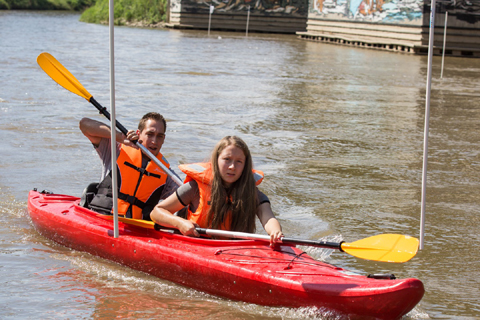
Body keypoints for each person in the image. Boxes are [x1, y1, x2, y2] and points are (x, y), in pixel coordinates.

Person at [150, 135, 283, 246]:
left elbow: (268, 218)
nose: (232, 166)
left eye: (239, 162)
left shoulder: (253, 193)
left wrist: (275, 232)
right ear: (216, 160)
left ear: (245, 165)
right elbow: (156, 212)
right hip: (197, 245)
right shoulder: (195, 187)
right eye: (227, 159)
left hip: (233, 249)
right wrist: (180, 223)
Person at [79, 112, 180, 221]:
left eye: (159, 136)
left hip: (138, 228)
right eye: (149, 134)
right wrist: (119, 136)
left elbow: (186, 195)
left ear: (164, 139)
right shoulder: (116, 150)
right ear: (139, 133)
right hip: (104, 219)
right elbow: (84, 125)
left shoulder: (165, 172)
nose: (154, 141)